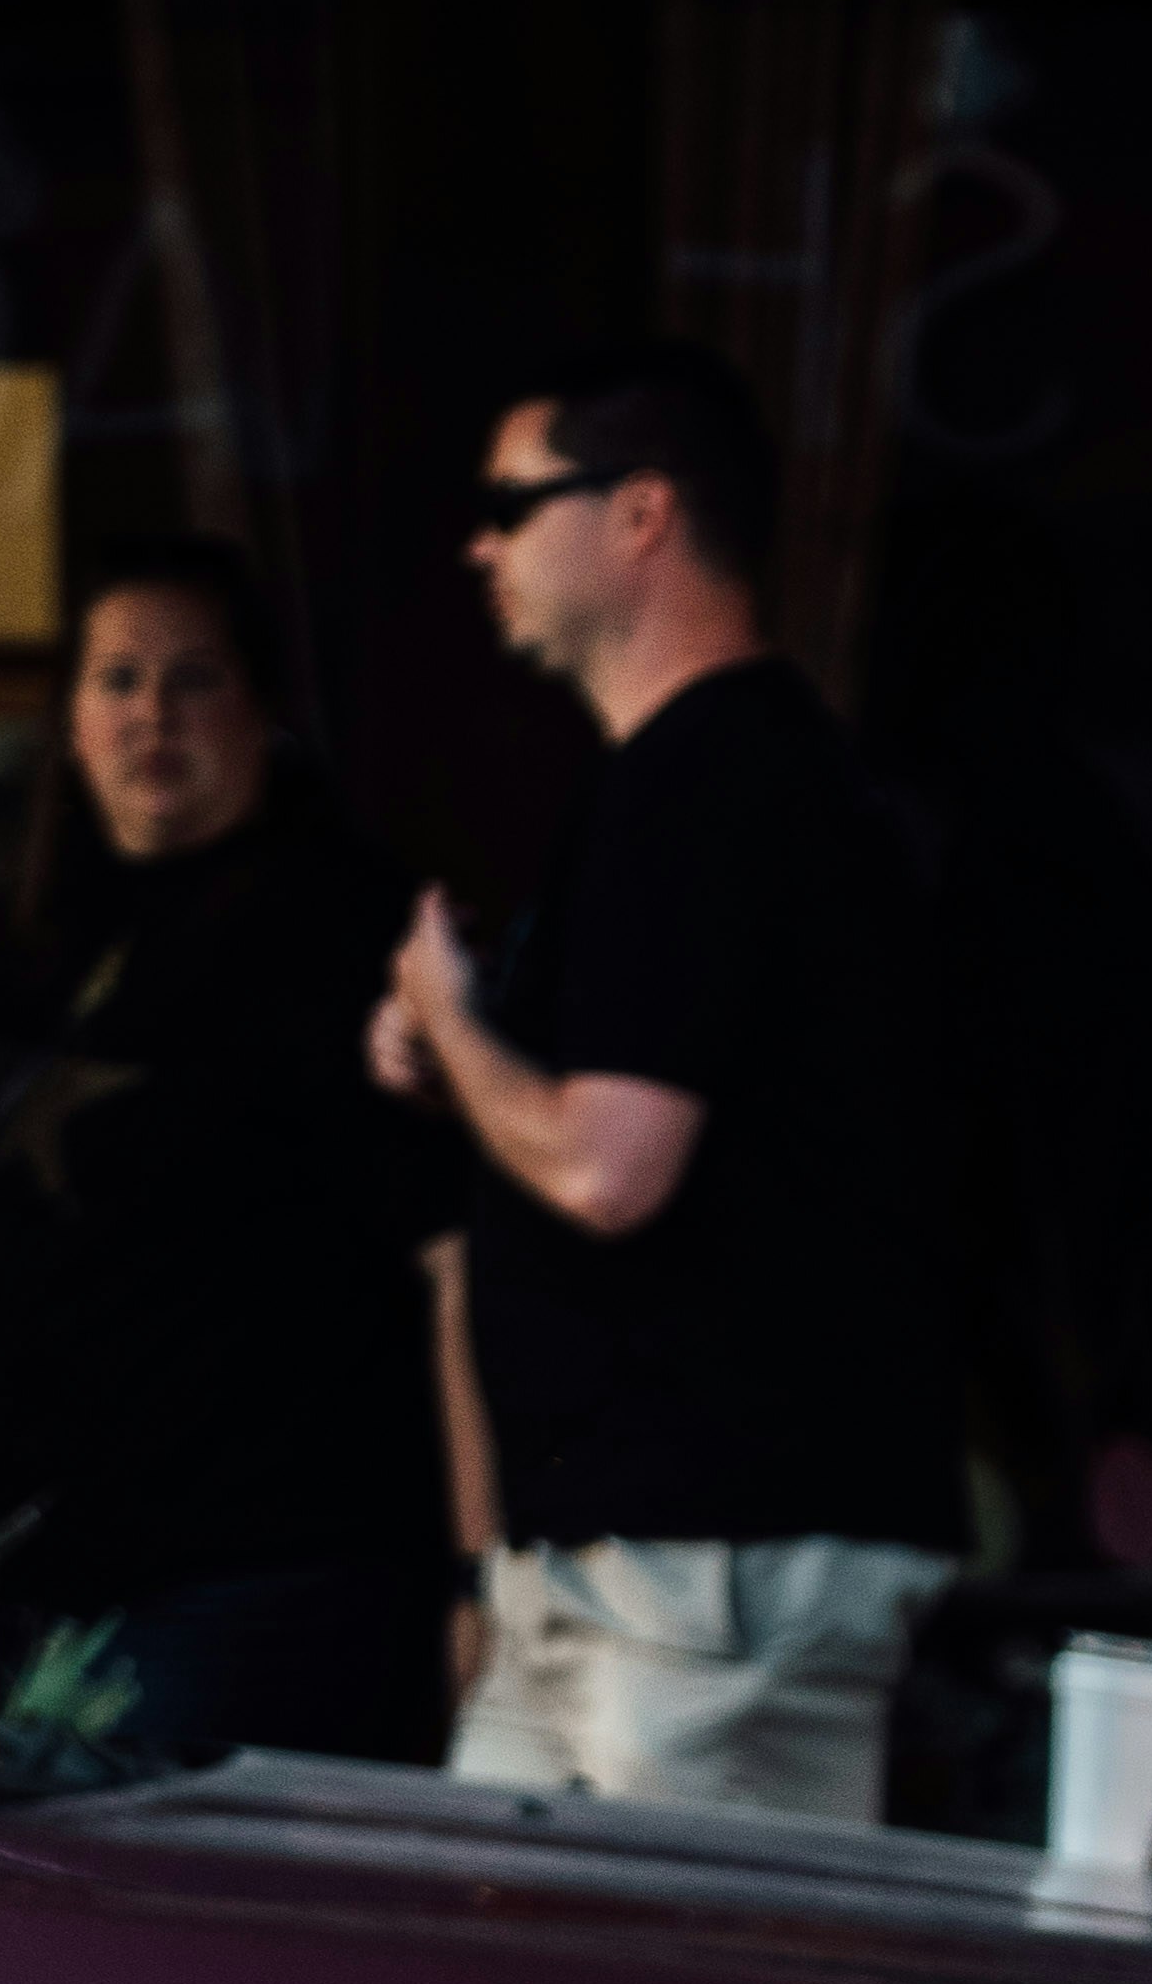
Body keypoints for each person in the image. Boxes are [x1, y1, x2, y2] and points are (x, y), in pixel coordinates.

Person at [377, 342, 968, 1828]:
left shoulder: (714, 782)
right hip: (622, 1571)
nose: (480, 543)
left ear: (639, 515)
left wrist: (452, 1025)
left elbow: (605, 1167)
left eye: (512, 505)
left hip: (705, 1579)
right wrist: (470, 1063)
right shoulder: (696, 782)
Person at [0, 542, 461, 1765]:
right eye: (117, 679)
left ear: (264, 711)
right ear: (67, 718)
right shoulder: (29, 939)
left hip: (240, 1583)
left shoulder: (342, 930)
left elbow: (449, 1259)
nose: (152, 713)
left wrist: (480, 1574)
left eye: (194, 677)